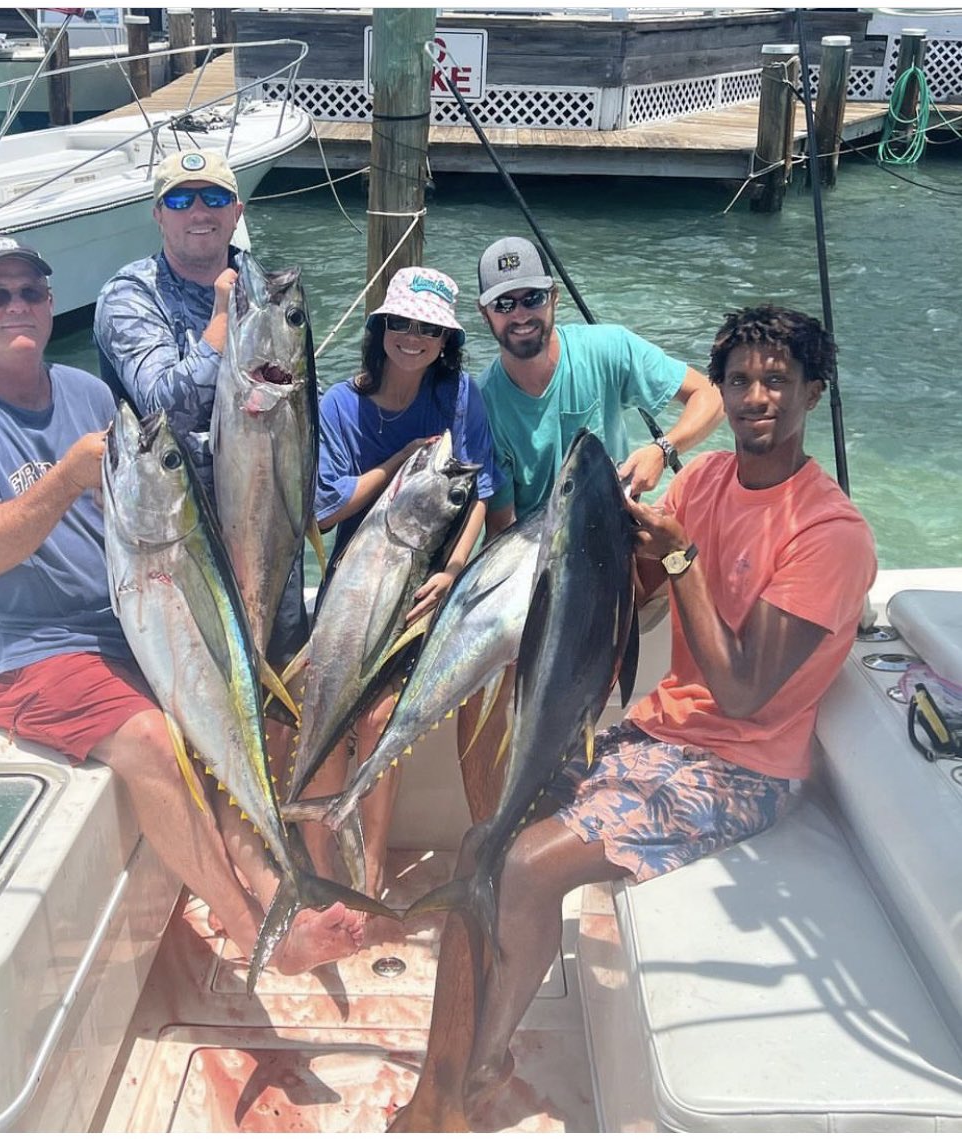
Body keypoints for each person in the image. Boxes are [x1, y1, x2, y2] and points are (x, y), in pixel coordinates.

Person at [391, 303, 877, 1130]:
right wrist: (594, 556)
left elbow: (744, 693)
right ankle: (456, 1075)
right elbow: (634, 601)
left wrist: (679, 553)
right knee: (482, 840)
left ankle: (459, 1089)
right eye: (739, 380)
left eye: (777, 380)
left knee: (525, 865)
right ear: (719, 389)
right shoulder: (707, 480)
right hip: (656, 735)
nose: (756, 395)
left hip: (742, 768)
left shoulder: (829, 533)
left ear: (812, 392)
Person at [0, 234, 362, 980]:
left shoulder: (88, 395)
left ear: (53, 305)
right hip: (28, 653)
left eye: (31, 292)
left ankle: (286, 895)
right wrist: (67, 476)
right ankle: (264, 944)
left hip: (132, 624)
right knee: (154, 739)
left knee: (228, 733)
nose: (17, 305)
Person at [457, 235, 726, 821]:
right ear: (486, 314)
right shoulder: (481, 401)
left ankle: (698, 726)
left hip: (616, 546)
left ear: (552, 298)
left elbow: (708, 395)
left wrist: (662, 446)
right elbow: (501, 523)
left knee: (707, 510)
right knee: (481, 698)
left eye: (531, 298)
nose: (521, 315)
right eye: (505, 304)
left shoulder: (607, 348)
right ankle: (488, 835)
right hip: (537, 563)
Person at [302, 266, 503, 898]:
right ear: (382, 327)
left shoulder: (460, 397)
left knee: (380, 716)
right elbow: (326, 509)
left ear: (446, 341)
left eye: (430, 329)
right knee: (322, 711)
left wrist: (452, 570)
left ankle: (372, 874)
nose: (413, 337)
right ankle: (320, 872)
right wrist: (398, 465)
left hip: (424, 583)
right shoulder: (340, 404)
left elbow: (478, 492)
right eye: (403, 323)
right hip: (355, 581)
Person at [92, 148, 308, 673]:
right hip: (176, 540)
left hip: (270, 521)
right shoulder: (130, 295)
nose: (199, 211)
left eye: (214, 198)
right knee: (203, 686)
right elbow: (166, 405)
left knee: (281, 677)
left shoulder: (266, 293)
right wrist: (218, 323)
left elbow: (299, 410)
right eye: (180, 199)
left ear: (236, 212)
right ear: (158, 214)